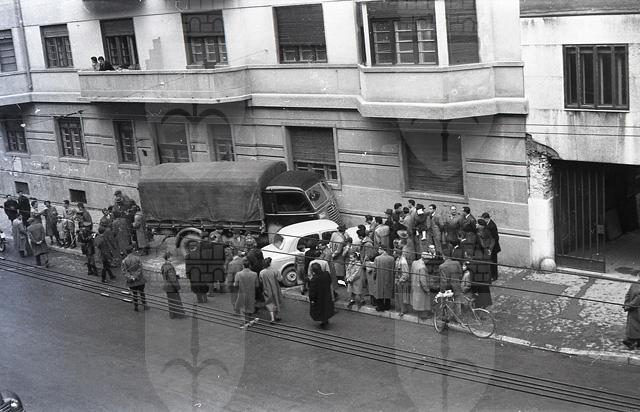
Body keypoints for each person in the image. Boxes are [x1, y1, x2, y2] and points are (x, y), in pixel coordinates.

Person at [308, 262, 334, 329]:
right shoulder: (326, 274)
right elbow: (330, 282)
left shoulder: (314, 279)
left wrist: (312, 299)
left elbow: (312, 291)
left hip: (318, 298)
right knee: (326, 308)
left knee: (320, 310)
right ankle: (325, 320)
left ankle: (323, 322)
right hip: (326, 294)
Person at [439, 247, 463, 316]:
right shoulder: (457, 263)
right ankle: (458, 317)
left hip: (448, 288)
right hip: (457, 285)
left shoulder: (442, 266)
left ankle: (449, 317)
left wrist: (442, 290)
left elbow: (443, 280)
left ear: (444, 256)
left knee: (448, 303)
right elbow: (460, 274)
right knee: (457, 301)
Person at [122, 246, 148, 312]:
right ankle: (145, 305)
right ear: (132, 251)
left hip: (131, 280)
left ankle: (136, 306)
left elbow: (124, 271)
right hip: (139, 279)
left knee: (134, 293)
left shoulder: (124, 261)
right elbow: (140, 268)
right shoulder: (137, 258)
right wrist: (136, 276)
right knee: (142, 292)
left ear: (126, 252)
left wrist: (131, 277)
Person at [161, 252, 185, 319]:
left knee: (171, 301)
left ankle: (172, 315)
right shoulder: (170, 267)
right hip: (172, 287)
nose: (173, 258)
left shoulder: (164, 265)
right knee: (177, 301)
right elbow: (172, 279)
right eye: (171, 257)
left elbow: (167, 276)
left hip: (167, 286)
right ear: (168, 258)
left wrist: (176, 276)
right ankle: (180, 315)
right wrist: (177, 287)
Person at [259, 257, 283, 324]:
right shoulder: (275, 270)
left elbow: (260, 281)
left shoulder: (262, 272)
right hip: (276, 289)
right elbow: (280, 279)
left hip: (266, 289)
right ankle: (277, 315)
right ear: (270, 263)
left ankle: (272, 318)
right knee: (277, 301)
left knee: (269, 303)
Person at [411, 251, 433, 319]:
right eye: (428, 260)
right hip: (420, 287)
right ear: (425, 259)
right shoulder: (422, 267)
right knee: (423, 302)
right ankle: (424, 316)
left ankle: (419, 313)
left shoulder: (414, 263)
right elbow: (423, 280)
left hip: (414, 284)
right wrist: (427, 289)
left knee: (418, 300)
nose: (428, 261)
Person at [481, 212, 502, 281]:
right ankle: (491, 275)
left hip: (493, 248)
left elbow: (495, 238)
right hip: (489, 246)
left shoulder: (492, 226)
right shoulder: (487, 224)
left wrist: (490, 248)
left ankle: (494, 276)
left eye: (483, 219)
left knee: (493, 262)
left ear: (487, 219)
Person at [622, 272, 640, 350]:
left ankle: (631, 341)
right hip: (633, 309)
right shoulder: (634, 284)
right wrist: (626, 304)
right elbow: (628, 294)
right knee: (634, 326)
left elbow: (638, 299)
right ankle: (632, 341)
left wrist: (628, 306)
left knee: (635, 326)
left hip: (635, 309)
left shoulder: (635, 284)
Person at [373, 246, 395, 312]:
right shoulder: (392, 259)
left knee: (379, 291)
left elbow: (375, 270)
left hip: (379, 277)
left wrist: (374, 276)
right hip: (389, 277)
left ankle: (380, 306)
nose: (378, 251)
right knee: (388, 291)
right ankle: (387, 305)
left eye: (379, 250)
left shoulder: (377, 259)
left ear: (382, 250)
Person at [394, 240, 411, 316]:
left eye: (394, 252)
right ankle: (400, 308)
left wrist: (400, 280)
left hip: (401, 282)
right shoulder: (398, 259)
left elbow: (406, 273)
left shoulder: (403, 261)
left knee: (402, 297)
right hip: (398, 280)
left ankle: (403, 310)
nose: (393, 253)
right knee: (399, 296)